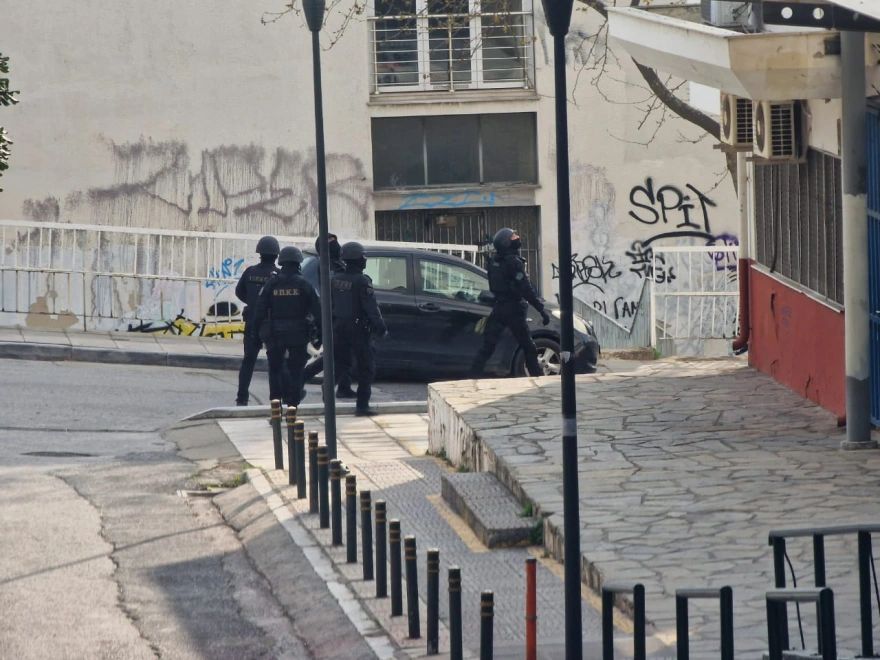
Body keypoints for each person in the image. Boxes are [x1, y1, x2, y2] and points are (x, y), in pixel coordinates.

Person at [470, 228, 551, 378]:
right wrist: (541, 309)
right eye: (513, 236)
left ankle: (473, 376)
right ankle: (538, 377)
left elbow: (493, 287)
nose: (518, 237)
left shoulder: (494, 262)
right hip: (514, 310)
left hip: (499, 308)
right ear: (506, 243)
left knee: (488, 346)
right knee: (528, 346)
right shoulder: (514, 263)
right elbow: (526, 289)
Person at [252, 246, 321, 408]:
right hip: (299, 333)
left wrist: (255, 334)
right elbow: (318, 311)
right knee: (296, 371)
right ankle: (292, 406)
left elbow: (259, 311)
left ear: (281, 262)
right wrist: (321, 335)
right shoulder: (304, 284)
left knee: (275, 370)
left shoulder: (271, 284)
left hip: (275, 333)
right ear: (298, 263)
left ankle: (275, 408)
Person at [331, 242, 388, 416]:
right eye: (363, 256)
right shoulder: (362, 281)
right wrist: (381, 328)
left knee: (342, 362)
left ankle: (335, 388)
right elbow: (371, 308)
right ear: (357, 259)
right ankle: (362, 405)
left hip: (338, 327)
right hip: (358, 330)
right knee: (367, 367)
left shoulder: (335, 279)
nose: (365, 259)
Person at [301, 233, 356, 398]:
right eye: (331, 243)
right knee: (337, 354)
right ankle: (304, 376)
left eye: (335, 241)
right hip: (335, 315)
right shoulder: (328, 266)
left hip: (341, 314)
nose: (336, 245)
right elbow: (336, 289)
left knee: (343, 353)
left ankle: (343, 386)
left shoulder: (338, 263)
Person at [234, 235, 279, 406]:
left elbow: (239, 292)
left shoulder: (250, 272)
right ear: (276, 255)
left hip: (252, 320)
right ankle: (275, 400)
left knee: (248, 360)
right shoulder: (278, 275)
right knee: (274, 363)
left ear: (259, 253)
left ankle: (242, 398)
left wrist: (253, 303)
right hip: (271, 323)